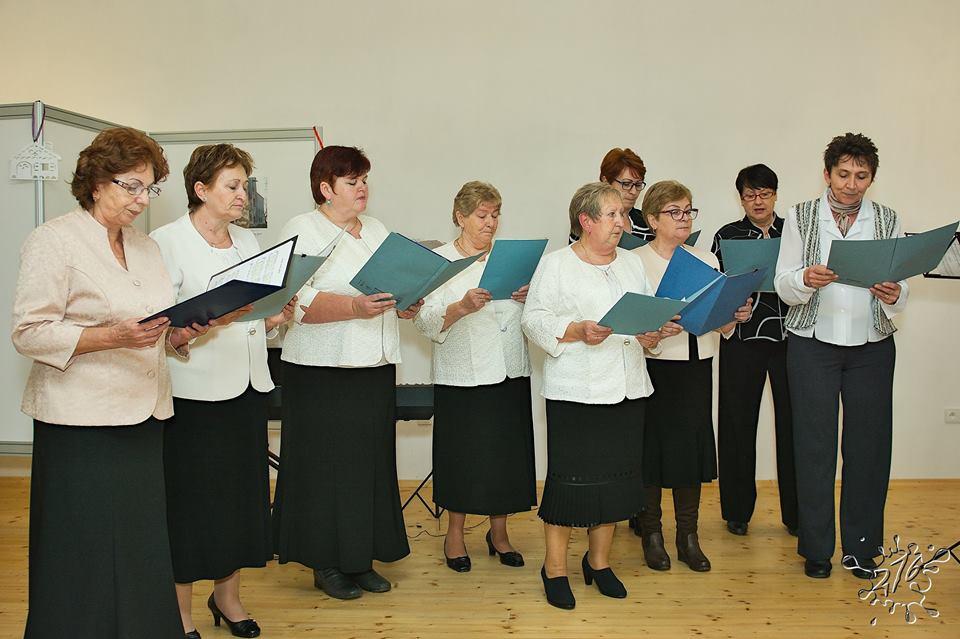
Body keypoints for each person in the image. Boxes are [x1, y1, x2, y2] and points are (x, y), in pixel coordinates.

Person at [12, 127, 205, 638]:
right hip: (80, 422)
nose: (143, 199)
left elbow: (151, 328)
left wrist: (180, 333)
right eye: (131, 186)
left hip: (144, 416)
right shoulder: (54, 240)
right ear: (96, 182)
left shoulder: (146, 247)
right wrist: (110, 337)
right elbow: (29, 332)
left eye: (149, 188)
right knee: (83, 550)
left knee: (140, 548)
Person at [151, 144, 296, 638]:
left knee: (239, 500)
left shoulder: (248, 241)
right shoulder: (166, 242)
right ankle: (180, 613)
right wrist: (201, 326)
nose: (242, 195)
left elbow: (254, 318)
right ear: (200, 189)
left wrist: (277, 317)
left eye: (244, 186)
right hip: (193, 396)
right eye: (232, 186)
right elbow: (160, 331)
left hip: (248, 386)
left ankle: (228, 598)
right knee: (191, 505)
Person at [271, 145, 422, 600]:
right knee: (324, 469)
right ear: (326, 188)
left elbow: (391, 287)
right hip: (321, 371)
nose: (362, 188)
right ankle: (325, 562)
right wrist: (354, 307)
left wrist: (407, 301)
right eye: (352, 181)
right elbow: (296, 301)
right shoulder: (302, 228)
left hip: (373, 367)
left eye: (364, 180)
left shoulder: (375, 229)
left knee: (367, 465)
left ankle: (360, 558)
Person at [522, 182, 675, 610]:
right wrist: (575, 330)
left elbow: (643, 320)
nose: (621, 222)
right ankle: (554, 568)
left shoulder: (631, 263)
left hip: (627, 388)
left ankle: (599, 562)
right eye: (611, 215)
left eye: (622, 214)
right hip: (577, 392)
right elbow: (533, 320)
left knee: (616, 483)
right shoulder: (556, 264)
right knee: (569, 485)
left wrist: (652, 335)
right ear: (586, 221)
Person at [775, 133, 908, 580]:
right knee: (813, 447)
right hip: (812, 344)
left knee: (869, 447)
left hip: (872, 346)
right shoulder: (800, 216)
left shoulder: (888, 218)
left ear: (872, 178)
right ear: (827, 173)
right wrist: (805, 279)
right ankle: (816, 549)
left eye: (861, 176)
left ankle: (862, 548)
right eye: (844, 174)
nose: (851, 184)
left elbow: (903, 284)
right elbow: (782, 282)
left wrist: (895, 293)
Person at [413, 181, 537, 573]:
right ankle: (454, 535)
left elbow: (532, 316)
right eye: (482, 215)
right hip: (462, 374)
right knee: (462, 457)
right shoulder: (441, 261)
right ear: (460, 217)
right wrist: (461, 307)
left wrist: (528, 297)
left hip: (509, 367)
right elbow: (424, 320)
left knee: (506, 456)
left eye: (495, 214)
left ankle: (499, 535)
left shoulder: (508, 258)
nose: (490, 222)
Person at [634, 180, 753, 574]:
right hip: (654, 366)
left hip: (697, 364)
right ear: (653, 219)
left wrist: (734, 315)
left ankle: (688, 537)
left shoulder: (707, 259)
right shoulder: (634, 262)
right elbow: (630, 324)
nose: (684, 218)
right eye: (674, 212)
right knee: (651, 452)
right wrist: (653, 331)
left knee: (691, 452)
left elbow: (720, 322)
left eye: (688, 210)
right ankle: (652, 535)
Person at [710, 164, 798, 538]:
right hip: (742, 339)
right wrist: (731, 308)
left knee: (794, 427)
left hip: (792, 339)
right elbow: (714, 290)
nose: (757, 201)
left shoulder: (794, 232)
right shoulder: (727, 236)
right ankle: (737, 510)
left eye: (764, 193)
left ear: (775, 195)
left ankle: (796, 514)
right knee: (736, 424)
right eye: (750, 195)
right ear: (740, 198)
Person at [569, 147, 653, 243]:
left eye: (638, 184)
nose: (633, 192)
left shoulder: (647, 223)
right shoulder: (590, 220)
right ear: (606, 181)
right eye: (626, 184)